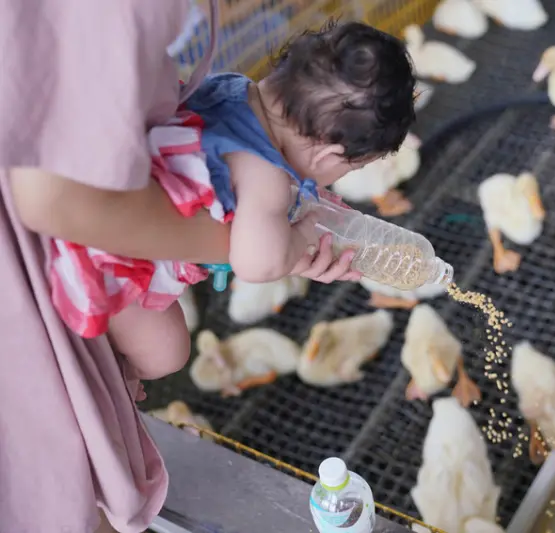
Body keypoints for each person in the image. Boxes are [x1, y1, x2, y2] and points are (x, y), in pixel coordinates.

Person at [46, 19, 417, 386]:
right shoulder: (267, 180)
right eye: (352, 167)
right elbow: (258, 263)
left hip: (94, 197)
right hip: (105, 260)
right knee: (168, 352)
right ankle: (121, 381)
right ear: (329, 156)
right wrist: (302, 234)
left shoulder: (229, 86)